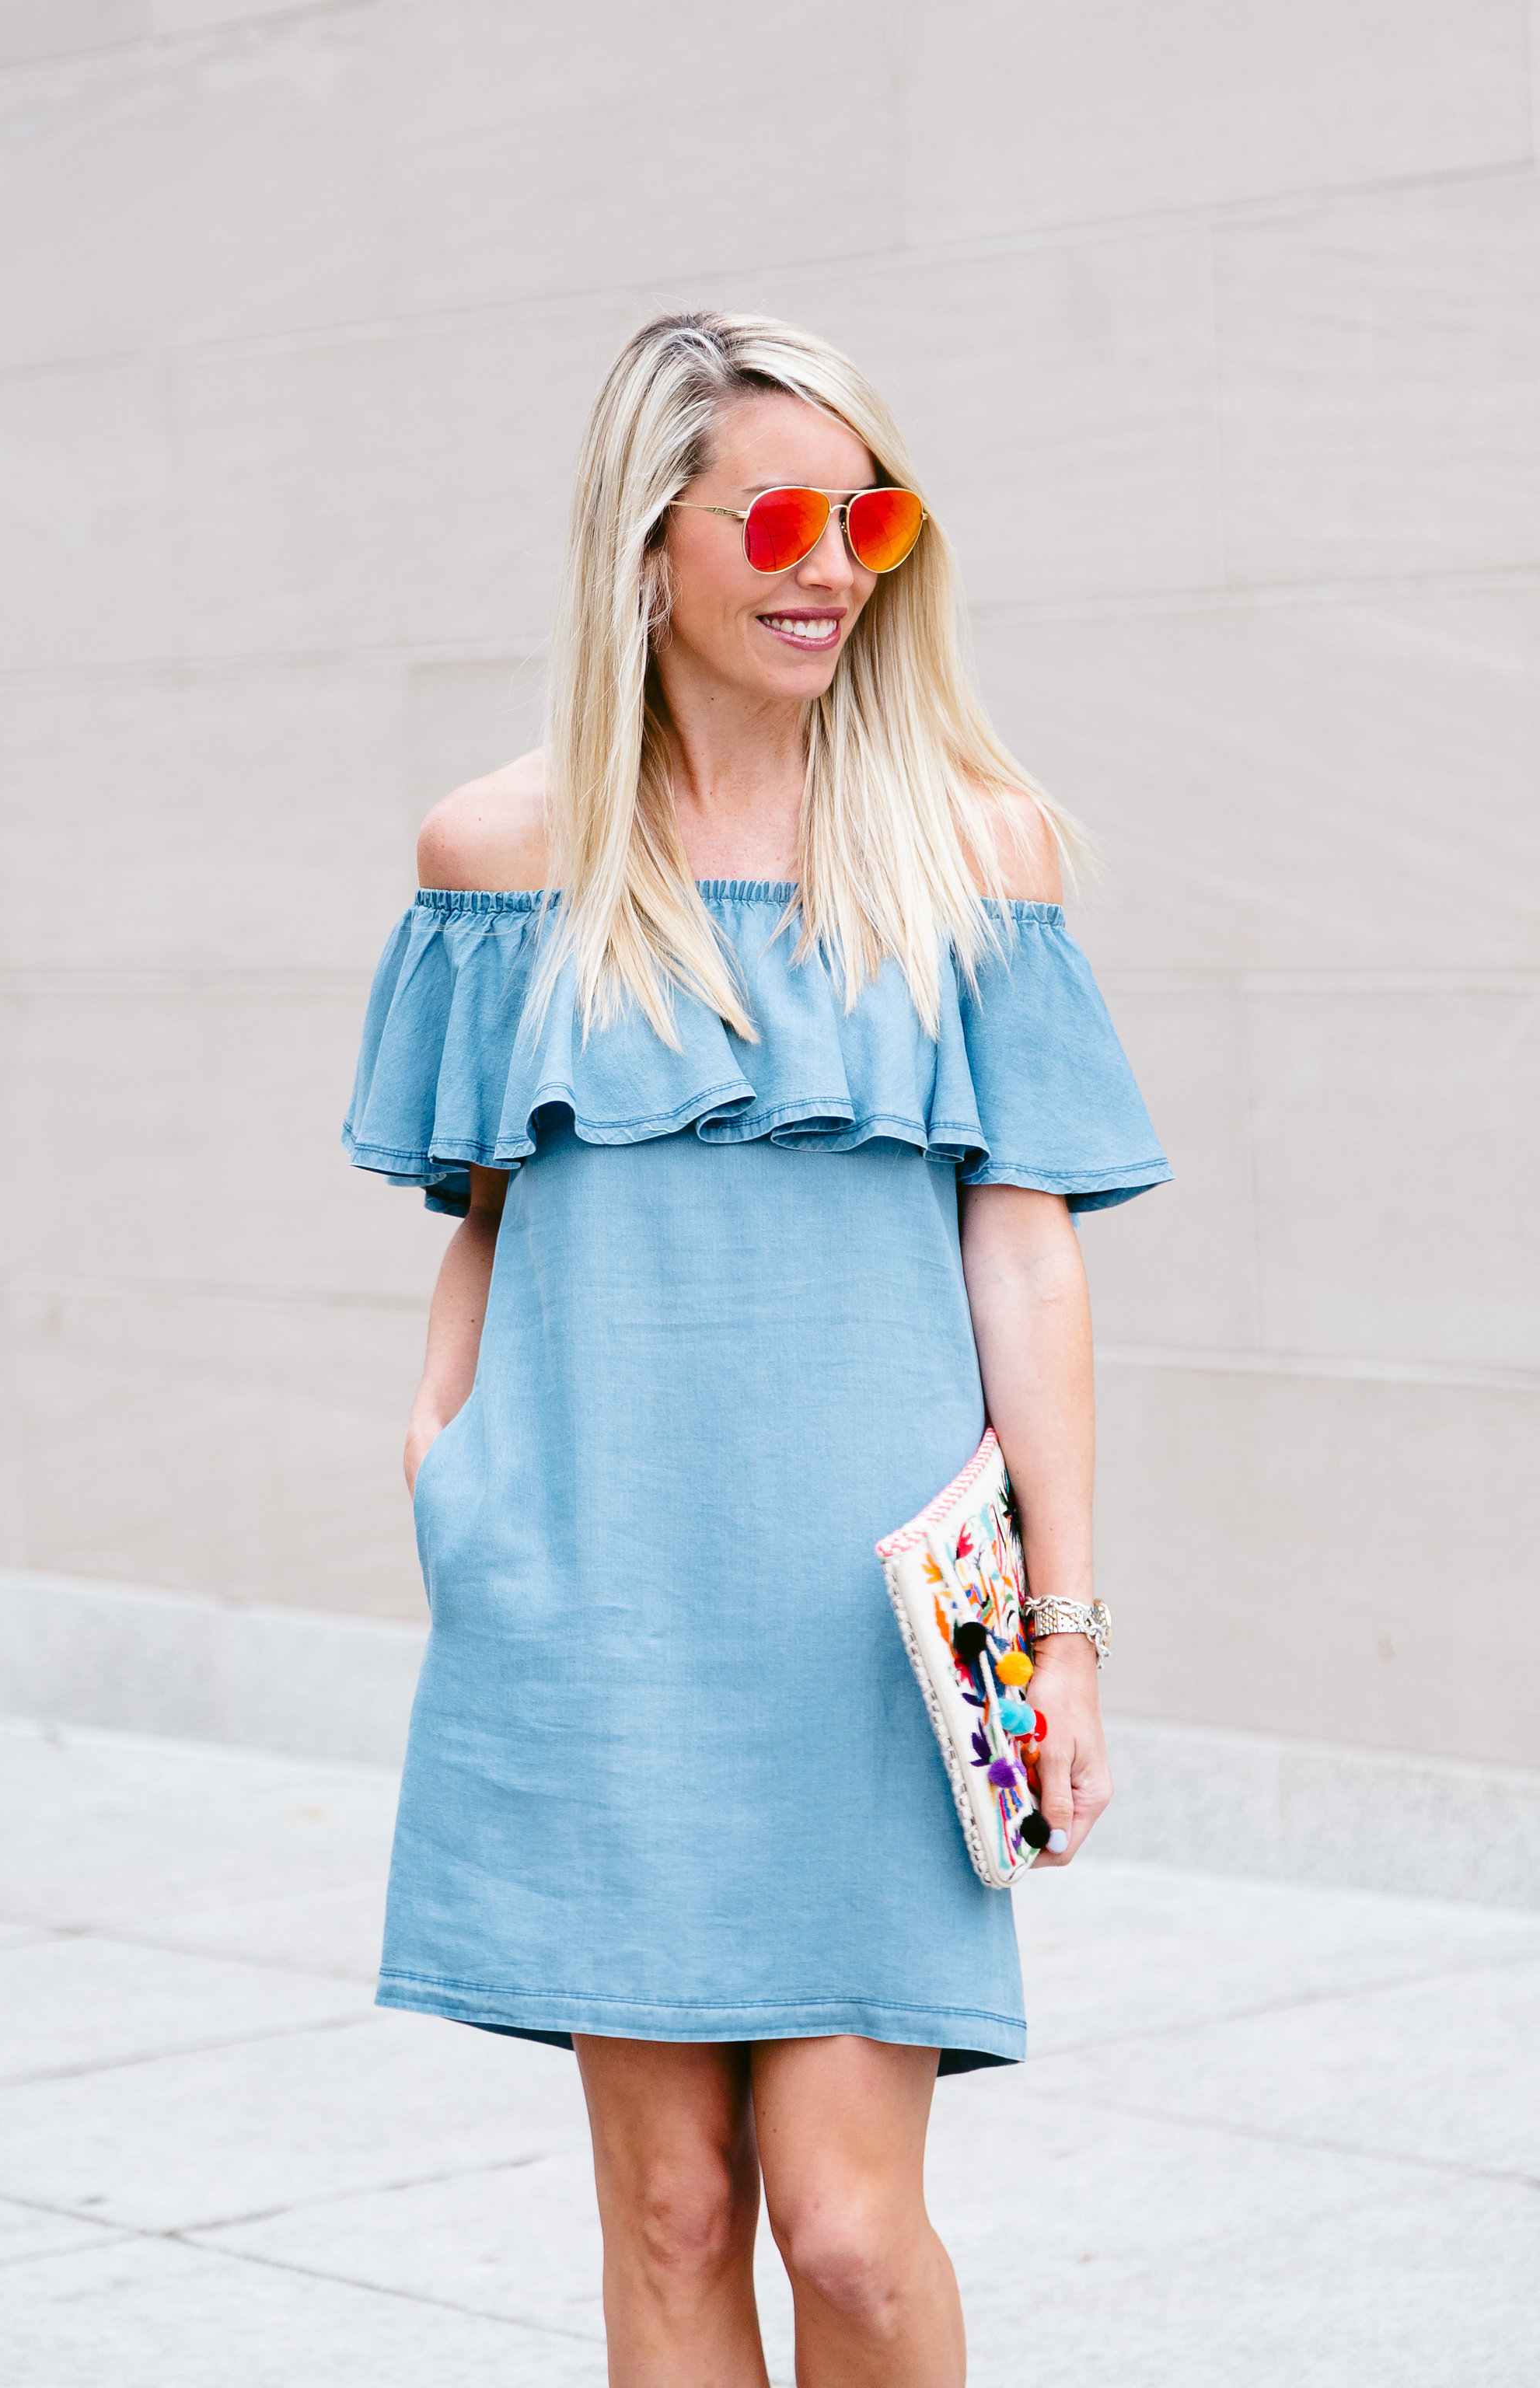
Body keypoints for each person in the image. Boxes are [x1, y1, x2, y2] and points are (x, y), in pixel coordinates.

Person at [344, 309, 1170, 2388]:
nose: (832, 570)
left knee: (856, 2239)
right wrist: (449, 1466)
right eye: (780, 520)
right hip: (596, 1604)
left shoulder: (974, 856)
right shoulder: (498, 862)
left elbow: (1028, 1267)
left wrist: (1064, 1626)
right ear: (649, 551)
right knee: (675, 2213)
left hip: (874, 1635)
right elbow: (493, 1214)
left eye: (869, 523)